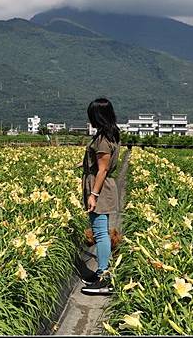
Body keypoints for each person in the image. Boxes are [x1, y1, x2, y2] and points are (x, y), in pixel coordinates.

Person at [78, 98, 121, 295]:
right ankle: (102, 273)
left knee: (101, 233)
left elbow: (103, 170)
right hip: (100, 187)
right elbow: (100, 164)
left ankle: (104, 278)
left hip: (100, 190)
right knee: (101, 231)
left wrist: (93, 195)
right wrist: (85, 165)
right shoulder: (108, 135)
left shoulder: (103, 139)